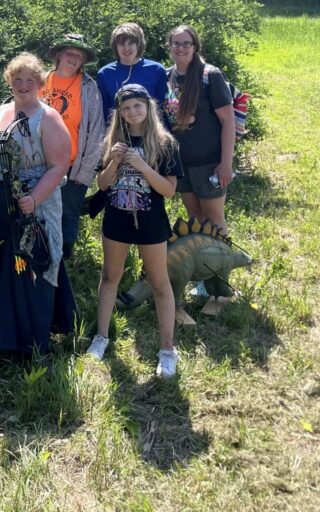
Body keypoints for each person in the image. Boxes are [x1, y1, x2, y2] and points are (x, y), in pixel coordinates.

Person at [0, 53, 76, 355]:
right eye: (17, 79)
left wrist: (34, 198)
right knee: (0, 268)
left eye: (30, 80)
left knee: (31, 266)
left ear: (40, 84)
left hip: (34, 207)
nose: (23, 85)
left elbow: (59, 166)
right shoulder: (1, 110)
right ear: (9, 81)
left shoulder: (47, 117)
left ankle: (32, 343)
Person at [87, 84, 183, 378]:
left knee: (159, 283)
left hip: (151, 221)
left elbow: (169, 191)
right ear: (120, 112)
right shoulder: (113, 142)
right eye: (126, 108)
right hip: (117, 219)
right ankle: (101, 337)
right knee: (110, 277)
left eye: (137, 106)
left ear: (148, 106)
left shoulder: (165, 143)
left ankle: (167, 350)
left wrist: (143, 166)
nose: (132, 112)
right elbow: (102, 184)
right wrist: (114, 162)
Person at [163, 24, 235, 236]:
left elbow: (228, 121)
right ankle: (202, 257)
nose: (180, 48)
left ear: (195, 47)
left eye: (186, 43)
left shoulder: (209, 75)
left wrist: (226, 163)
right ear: (169, 46)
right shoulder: (166, 77)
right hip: (182, 162)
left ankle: (222, 257)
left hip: (209, 163)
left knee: (214, 219)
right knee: (194, 216)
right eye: (176, 43)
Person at [40, 33, 104, 261]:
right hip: (38, 162)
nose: (74, 58)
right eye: (70, 53)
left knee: (67, 214)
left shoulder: (88, 87)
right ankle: (38, 258)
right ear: (59, 54)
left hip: (72, 165)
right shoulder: (39, 80)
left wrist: (85, 172)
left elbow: (96, 131)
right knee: (38, 210)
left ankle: (64, 264)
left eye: (79, 55)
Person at [97, 23, 168, 125]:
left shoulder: (157, 70)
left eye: (131, 43)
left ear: (139, 44)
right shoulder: (105, 74)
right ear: (116, 47)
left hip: (151, 129)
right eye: (121, 44)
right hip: (119, 131)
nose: (126, 48)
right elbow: (105, 112)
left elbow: (161, 109)